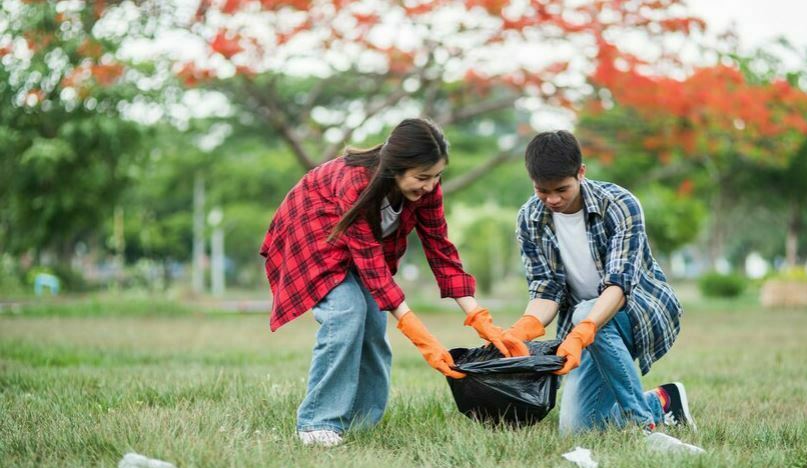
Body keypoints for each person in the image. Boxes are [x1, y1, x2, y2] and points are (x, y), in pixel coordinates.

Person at [260, 119, 526, 447]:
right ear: (395, 169)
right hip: (315, 240)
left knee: (373, 326)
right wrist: (421, 336)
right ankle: (317, 423)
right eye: (422, 177)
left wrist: (481, 320)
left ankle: (360, 423)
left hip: (363, 251)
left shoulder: (427, 190)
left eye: (437, 176)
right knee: (347, 313)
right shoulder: (355, 181)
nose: (430, 186)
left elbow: (441, 250)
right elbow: (370, 262)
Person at [500, 130, 695, 435]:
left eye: (561, 189)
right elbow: (545, 289)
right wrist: (521, 330)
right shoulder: (529, 218)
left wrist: (586, 327)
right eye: (542, 190)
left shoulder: (619, 204)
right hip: (585, 329)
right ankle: (663, 402)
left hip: (638, 312)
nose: (552, 199)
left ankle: (643, 423)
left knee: (583, 312)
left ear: (581, 173)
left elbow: (619, 286)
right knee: (577, 429)